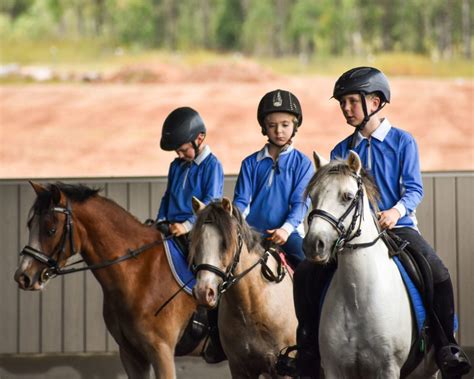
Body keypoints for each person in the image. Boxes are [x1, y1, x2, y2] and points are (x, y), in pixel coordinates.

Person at [291, 67, 471, 378]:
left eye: (351, 102)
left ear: (374, 102)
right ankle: (307, 349)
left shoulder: (403, 142)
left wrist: (395, 212)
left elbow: (414, 188)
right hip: (348, 236)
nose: (345, 109)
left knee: (438, 273)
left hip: (398, 228)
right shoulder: (340, 151)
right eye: (342, 104)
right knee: (306, 272)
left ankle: (446, 346)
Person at [156, 106, 226, 363]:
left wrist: (186, 226)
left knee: (205, 270)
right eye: (176, 150)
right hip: (169, 227)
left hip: (196, 230)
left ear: (199, 139)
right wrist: (162, 219)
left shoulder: (212, 165)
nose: (179, 154)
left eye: (183, 148)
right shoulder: (176, 166)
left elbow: (211, 201)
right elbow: (167, 196)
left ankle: (214, 331)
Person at [233, 89, 314, 269]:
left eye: (285, 125)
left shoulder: (303, 164)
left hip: (288, 234)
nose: (279, 131)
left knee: (308, 268)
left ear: (295, 126)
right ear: (264, 127)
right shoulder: (250, 163)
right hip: (251, 233)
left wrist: (285, 229)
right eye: (272, 125)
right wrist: (237, 226)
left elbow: (300, 204)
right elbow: (242, 201)